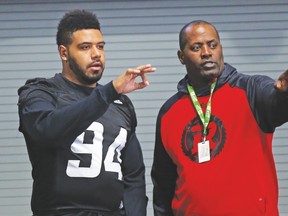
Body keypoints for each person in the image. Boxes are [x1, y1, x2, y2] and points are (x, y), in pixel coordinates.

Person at [17, 9, 156, 216]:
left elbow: (133, 177)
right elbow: (48, 130)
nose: (96, 54)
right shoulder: (41, 92)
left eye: (100, 46)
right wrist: (108, 92)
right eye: (85, 47)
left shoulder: (120, 104)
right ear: (64, 53)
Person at [151, 20, 288, 216]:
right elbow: (163, 184)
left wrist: (285, 94)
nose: (206, 52)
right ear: (182, 57)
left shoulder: (251, 90)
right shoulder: (168, 112)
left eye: (212, 45)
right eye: (196, 47)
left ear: (220, 48)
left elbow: (278, 105)